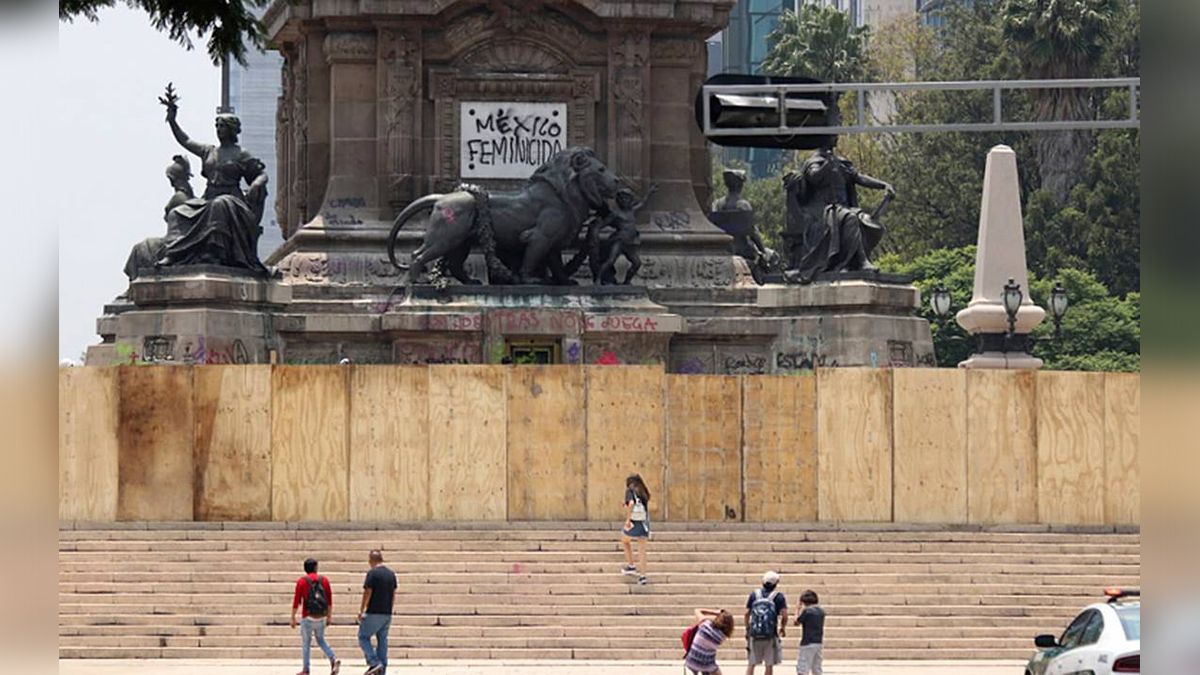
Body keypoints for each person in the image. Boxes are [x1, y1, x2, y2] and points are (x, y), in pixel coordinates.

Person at [156, 83, 270, 274]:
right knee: (178, 212)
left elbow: (261, 174)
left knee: (219, 205)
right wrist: (173, 121)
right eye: (217, 126)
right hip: (208, 198)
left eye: (223, 126)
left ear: (232, 129)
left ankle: (215, 253)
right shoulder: (209, 151)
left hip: (232, 201)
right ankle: (174, 253)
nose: (219, 130)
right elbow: (186, 141)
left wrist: (257, 184)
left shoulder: (241, 154)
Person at [290, 558, 340, 675]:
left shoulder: (302, 581)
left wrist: (293, 617)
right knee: (321, 639)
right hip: (321, 616)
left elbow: (297, 601)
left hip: (308, 616)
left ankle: (306, 669)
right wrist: (329, 616)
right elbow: (329, 600)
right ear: (316, 567)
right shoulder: (324, 580)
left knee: (306, 642)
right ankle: (333, 658)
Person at [357, 549, 397, 675]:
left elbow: (368, 592)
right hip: (386, 613)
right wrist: (390, 608)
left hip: (374, 612)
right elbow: (394, 593)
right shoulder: (391, 574)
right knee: (382, 640)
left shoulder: (372, 573)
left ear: (371, 560)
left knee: (363, 637)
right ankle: (382, 669)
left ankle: (374, 662)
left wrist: (362, 609)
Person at [745, 571, 787, 675]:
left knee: (751, 663)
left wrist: (747, 628)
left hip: (754, 633)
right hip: (770, 633)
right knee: (769, 664)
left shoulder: (754, 594)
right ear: (776, 583)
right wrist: (782, 627)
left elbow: (746, 613)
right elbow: (785, 615)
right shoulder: (778, 596)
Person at [619, 473, 652, 585]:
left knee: (625, 540)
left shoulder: (630, 491)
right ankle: (643, 576)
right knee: (642, 550)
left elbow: (632, 504)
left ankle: (631, 565)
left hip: (634, 522)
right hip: (644, 522)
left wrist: (628, 520)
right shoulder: (644, 492)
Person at [686, 608, 736, 675]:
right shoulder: (722, 637)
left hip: (691, 660)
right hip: (707, 664)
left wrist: (714, 613)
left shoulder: (704, 623)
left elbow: (697, 610)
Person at [793, 590, 825, 675]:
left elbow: (796, 622)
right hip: (818, 642)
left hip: (807, 642)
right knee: (817, 668)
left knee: (803, 668)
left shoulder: (807, 611)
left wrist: (797, 610)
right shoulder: (821, 611)